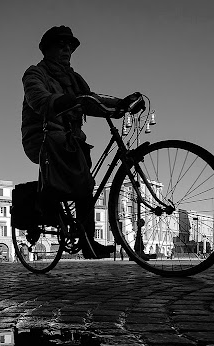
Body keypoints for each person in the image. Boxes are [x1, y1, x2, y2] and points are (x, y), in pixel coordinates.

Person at [22, 26, 141, 259]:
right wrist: (61, 101)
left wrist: (120, 105)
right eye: (61, 45)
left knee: (86, 183)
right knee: (82, 180)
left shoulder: (74, 79)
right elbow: (38, 99)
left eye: (70, 46)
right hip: (43, 137)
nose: (67, 49)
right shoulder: (35, 73)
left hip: (70, 139)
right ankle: (74, 232)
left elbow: (91, 100)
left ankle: (86, 238)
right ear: (48, 49)